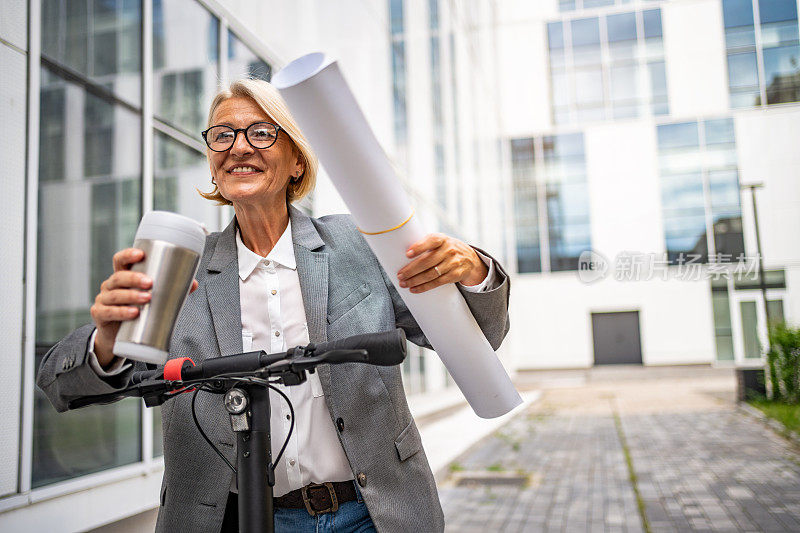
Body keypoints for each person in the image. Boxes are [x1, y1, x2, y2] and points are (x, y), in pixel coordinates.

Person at [37, 79, 510, 533]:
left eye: (261, 132)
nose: (238, 146)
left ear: (296, 162)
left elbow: (477, 339)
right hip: (238, 520)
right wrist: (107, 339)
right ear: (213, 162)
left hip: (375, 515)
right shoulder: (183, 272)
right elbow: (62, 387)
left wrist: (473, 271)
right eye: (223, 135)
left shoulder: (357, 242)